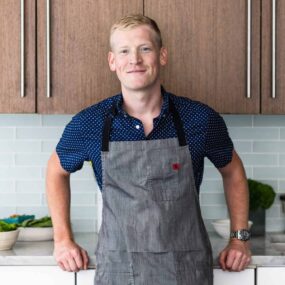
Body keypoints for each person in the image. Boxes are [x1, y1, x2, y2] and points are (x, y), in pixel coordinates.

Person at [46, 14, 251, 285]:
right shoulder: (90, 123)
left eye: (145, 49)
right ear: (113, 62)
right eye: (124, 51)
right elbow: (55, 171)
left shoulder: (199, 119)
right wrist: (62, 240)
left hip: (186, 271)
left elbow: (233, 170)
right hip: (119, 270)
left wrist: (239, 240)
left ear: (162, 56)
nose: (135, 60)